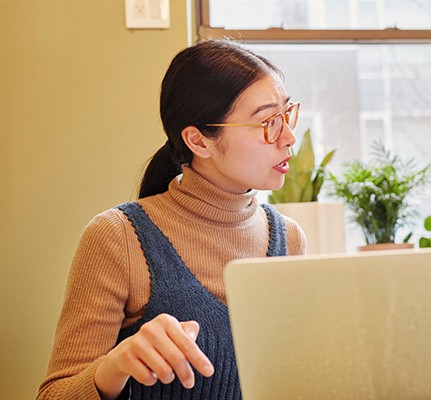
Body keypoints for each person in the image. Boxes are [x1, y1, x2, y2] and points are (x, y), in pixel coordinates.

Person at [38, 39, 306, 399]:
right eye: (268, 122)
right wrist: (113, 366)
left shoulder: (289, 239)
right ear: (199, 141)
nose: (289, 137)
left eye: (287, 115)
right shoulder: (118, 237)